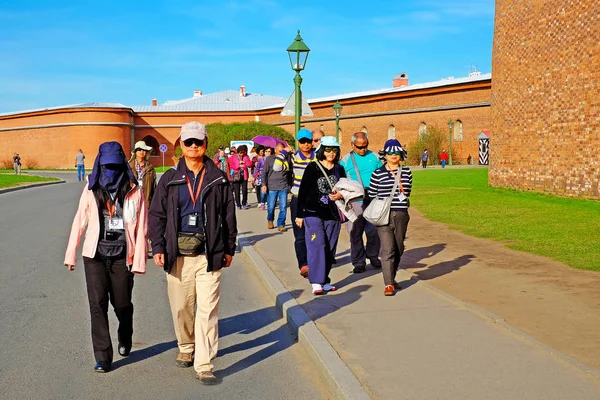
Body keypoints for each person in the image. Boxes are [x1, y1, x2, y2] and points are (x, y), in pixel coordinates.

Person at [148, 121, 237, 385]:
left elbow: (229, 215)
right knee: (181, 308)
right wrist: (159, 247)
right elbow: (156, 215)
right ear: (181, 146)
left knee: (207, 310)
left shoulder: (219, 178)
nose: (194, 146)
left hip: (209, 254)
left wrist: (229, 247)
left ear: (206, 144)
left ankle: (205, 364)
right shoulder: (170, 179)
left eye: (198, 142)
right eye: (189, 142)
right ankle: (186, 347)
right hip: (178, 254)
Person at [64, 141, 148, 373]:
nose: (110, 170)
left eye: (115, 165)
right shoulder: (91, 189)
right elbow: (79, 220)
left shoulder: (134, 190)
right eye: (107, 165)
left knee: (121, 303)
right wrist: (71, 253)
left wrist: (139, 260)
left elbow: (142, 227)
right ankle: (103, 356)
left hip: (122, 255)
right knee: (97, 304)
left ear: (122, 163)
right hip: (95, 255)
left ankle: (125, 332)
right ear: (100, 163)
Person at [295, 136, 346, 295]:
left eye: (334, 150)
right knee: (317, 246)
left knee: (330, 248)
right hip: (313, 213)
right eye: (329, 150)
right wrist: (299, 215)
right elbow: (302, 192)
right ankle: (316, 282)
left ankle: (324, 280)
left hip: (333, 213)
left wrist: (340, 195)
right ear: (322, 150)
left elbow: (346, 188)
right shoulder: (312, 167)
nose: (331, 153)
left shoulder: (339, 169)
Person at [368, 139, 412, 296]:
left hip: (401, 214)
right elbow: (372, 193)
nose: (394, 155)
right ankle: (388, 284)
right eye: (390, 152)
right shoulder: (377, 173)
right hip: (383, 215)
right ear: (384, 155)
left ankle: (392, 278)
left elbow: (407, 192)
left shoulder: (406, 172)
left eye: (396, 152)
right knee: (388, 249)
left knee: (399, 248)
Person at [340, 132, 383, 273]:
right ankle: (358, 262)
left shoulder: (375, 157)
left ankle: (373, 256)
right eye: (359, 147)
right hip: (354, 202)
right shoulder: (345, 160)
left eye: (365, 146)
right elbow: (341, 181)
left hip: (372, 200)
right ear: (352, 145)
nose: (363, 149)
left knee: (374, 231)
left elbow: (382, 176)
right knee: (355, 232)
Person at [275, 128, 315, 277]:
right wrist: (284, 152)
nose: (306, 144)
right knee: (300, 234)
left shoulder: (317, 156)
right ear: (298, 143)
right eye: (302, 141)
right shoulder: (292, 158)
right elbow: (276, 167)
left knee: (316, 233)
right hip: (298, 199)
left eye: (308, 141)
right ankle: (303, 264)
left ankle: (315, 261)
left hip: (314, 200)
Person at [262, 143, 291, 231]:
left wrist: (290, 151)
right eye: (280, 151)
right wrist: (264, 184)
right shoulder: (270, 159)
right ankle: (270, 220)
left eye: (283, 151)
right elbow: (264, 173)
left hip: (283, 186)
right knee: (271, 206)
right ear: (275, 150)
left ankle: (281, 224)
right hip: (272, 186)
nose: (282, 152)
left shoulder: (287, 158)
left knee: (283, 207)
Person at [129, 141, 156, 209]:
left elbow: (154, 187)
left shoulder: (150, 168)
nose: (141, 151)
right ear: (135, 152)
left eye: (144, 150)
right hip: (132, 200)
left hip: (146, 200)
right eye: (139, 150)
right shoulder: (129, 167)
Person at [229, 144, 252, 209]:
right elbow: (231, 165)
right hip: (236, 175)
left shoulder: (246, 156)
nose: (241, 154)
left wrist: (245, 162)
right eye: (240, 152)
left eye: (243, 152)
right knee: (237, 191)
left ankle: (244, 203)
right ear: (238, 151)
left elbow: (250, 164)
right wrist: (238, 165)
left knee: (244, 190)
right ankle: (238, 204)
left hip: (244, 175)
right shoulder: (233, 157)